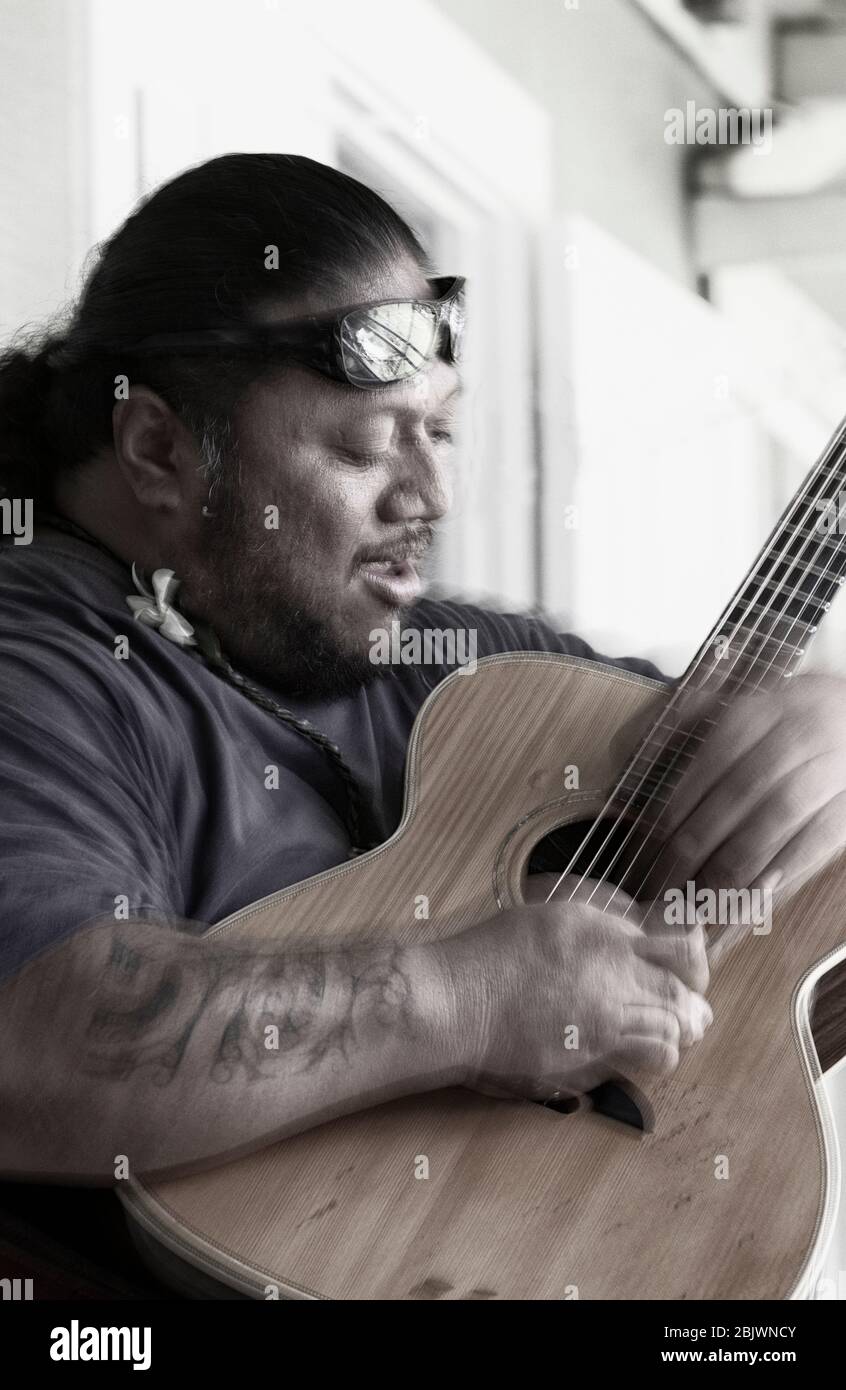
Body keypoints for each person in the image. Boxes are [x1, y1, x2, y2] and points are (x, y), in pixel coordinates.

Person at [1, 153, 845, 1183]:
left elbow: (706, 766)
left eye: (440, 431)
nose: (433, 493)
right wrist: (471, 996)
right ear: (159, 451)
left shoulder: (445, 658)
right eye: (368, 446)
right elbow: (36, 1044)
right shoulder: (39, 669)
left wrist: (822, 734)